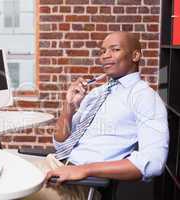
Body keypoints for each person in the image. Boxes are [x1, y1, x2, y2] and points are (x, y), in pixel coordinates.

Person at [24, 32, 169, 200]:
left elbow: (153, 162)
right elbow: (60, 143)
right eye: (102, 51)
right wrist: (68, 107)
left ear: (135, 55)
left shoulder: (145, 97)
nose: (105, 55)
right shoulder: (97, 93)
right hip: (55, 166)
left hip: (80, 185)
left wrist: (84, 170)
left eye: (114, 49)